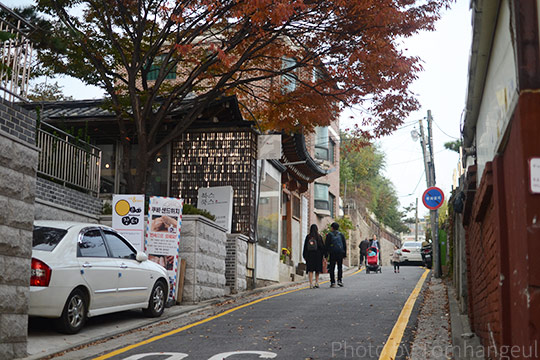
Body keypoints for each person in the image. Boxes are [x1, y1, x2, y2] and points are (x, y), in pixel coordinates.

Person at [303, 224, 325, 288]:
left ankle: (310, 283)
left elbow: (305, 247)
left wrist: (304, 255)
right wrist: (324, 255)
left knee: (310, 270)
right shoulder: (319, 237)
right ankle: (317, 282)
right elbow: (322, 247)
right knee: (317, 270)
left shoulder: (308, 237)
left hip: (310, 255)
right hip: (318, 256)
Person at [325, 222, 347, 287]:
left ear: (332, 228)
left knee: (332, 267)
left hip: (332, 253)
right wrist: (344, 254)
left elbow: (327, 245)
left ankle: (332, 282)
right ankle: (339, 280)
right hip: (340, 252)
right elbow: (344, 245)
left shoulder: (329, 235)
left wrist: (326, 254)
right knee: (339, 267)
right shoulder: (341, 235)